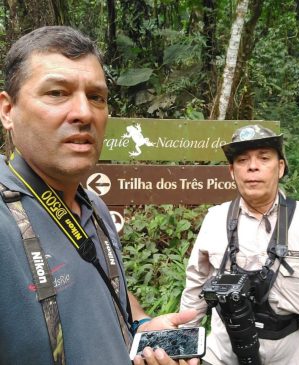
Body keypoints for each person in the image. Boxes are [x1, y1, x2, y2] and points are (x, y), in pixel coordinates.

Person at [0, 26, 198, 365]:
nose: (84, 113)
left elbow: (101, 286)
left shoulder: (95, 205)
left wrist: (142, 328)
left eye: (97, 97)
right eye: (57, 93)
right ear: (7, 110)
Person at [180, 124, 299, 365]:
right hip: (222, 356)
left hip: (295, 358)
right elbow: (194, 289)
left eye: (264, 158)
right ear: (232, 171)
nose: (252, 166)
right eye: (242, 160)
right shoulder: (215, 219)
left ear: (280, 167)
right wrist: (186, 348)